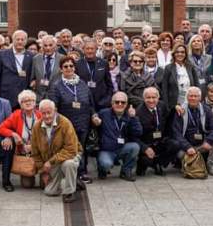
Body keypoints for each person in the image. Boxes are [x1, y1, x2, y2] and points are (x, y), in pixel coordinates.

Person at [47, 55, 95, 184]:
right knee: (69, 148)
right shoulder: (56, 85)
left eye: (71, 66)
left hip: (83, 122)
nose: (69, 68)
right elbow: (54, 107)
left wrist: (94, 115)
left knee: (81, 148)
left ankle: (82, 172)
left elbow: (90, 103)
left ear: (75, 68)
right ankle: (68, 174)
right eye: (65, 66)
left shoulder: (82, 83)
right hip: (66, 123)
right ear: (61, 69)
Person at [31, 99, 81, 203]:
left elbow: (71, 149)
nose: (46, 116)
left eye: (49, 112)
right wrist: (43, 171)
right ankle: (73, 181)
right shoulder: (36, 127)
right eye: (43, 113)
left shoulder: (65, 123)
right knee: (49, 192)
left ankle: (70, 192)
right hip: (53, 161)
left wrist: (50, 162)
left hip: (69, 156)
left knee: (69, 164)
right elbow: (35, 153)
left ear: (55, 111)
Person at [0, 90, 43, 188]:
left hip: (40, 152)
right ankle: (6, 181)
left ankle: (44, 174)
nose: (28, 103)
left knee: (45, 185)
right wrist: (13, 134)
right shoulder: (16, 115)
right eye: (24, 101)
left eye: (31, 100)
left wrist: (34, 146)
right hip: (24, 153)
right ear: (20, 104)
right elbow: (0, 128)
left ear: (35, 102)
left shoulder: (41, 115)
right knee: (27, 185)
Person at [92, 91, 142, 181]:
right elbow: (94, 117)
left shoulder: (129, 115)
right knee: (106, 164)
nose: (120, 104)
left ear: (126, 104)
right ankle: (102, 169)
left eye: (123, 102)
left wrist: (133, 117)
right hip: (107, 150)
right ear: (112, 103)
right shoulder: (104, 113)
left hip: (121, 148)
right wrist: (94, 119)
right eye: (117, 102)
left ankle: (125, 171)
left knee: (135, 147)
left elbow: (138, 132)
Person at [170, 86, 213, 175]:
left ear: (200, 98)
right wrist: (187, 146)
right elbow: (176, 133)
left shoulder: (206, 110)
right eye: (191, 96)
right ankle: (187, 165)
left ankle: (211, 164)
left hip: (202, 145)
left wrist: (209, 141)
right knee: (180, 154)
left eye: (195, 96)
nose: (193, 98)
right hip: (186, 146)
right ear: (187, 97)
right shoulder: (181, 110)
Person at [136, 86, 171, 176]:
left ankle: (158, 163)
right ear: (144, 99)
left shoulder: (162, 106)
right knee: (146, 159)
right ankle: (142, 164)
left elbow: (169, 121)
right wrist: (145, 148)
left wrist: (176, 108)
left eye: (154, 97)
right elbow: (134, 136)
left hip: (160, 141)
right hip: (146, 143)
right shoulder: (138, 112)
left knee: (174, 145)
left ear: (158, 98)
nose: (151, 100)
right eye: (148, 98)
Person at [0, 30, 33, 108]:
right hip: (6, 96)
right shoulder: (1, 55)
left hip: (25, 97)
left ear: (26, 41)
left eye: (22, 39)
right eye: (17, 39)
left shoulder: (31, 56)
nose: (20, 42)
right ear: (13, 40)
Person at [160, 44, 200, 118]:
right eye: (177, 52)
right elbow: (164, 89)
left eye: (182, 52)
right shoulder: (168, 68)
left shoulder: (190, 67)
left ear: (185, 54)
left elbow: (197, 85)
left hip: (190, 102)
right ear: (174, 54)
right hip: (174, 105)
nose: (180, 54)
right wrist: (168, 106)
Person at [76, 38, 111, 110]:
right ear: (83, 50)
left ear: (96, 49)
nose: (90, 51)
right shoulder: (77, 64)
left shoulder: (103, 63)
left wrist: (106, 100)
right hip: (84, 103)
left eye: (92, 48)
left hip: (101, 103)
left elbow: (109, 84)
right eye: (87, 49)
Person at [32, 34, 61, 100]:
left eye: (50, 45)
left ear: (55, 46)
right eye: (45, 45)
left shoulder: (62, 58)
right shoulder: (36, 59)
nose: (48, 48)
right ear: (42, 47)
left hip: (56, 97)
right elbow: (32, 78)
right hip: (39, 97)